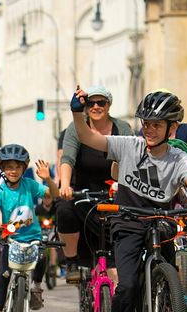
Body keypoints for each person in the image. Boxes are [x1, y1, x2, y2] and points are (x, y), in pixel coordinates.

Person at [69, 88, 187, 312]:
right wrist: (78, 112)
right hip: (128, 222)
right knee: (128, 284)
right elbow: (89, 137)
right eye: (146, 124)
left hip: (161, 222)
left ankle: (170, 306)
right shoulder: (129, 145)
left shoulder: (177, 157)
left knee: (172, 264)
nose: (149, 130)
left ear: (172, 128)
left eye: (156, 125)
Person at [56, 85, 134, 283]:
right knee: (64, 210)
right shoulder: (76, 128)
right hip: (83, 193)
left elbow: (132, 159)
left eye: (101, 102)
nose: (96, 106)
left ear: (109, 106)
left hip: (114, 193)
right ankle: (72, 261)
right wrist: (65, 185)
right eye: (91, 103)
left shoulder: (122, 128)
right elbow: (67, 159)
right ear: (85, 106)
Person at [0, 145, 56, 312]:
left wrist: (47, 178)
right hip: (11, 239)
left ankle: (37, 287)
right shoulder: (0, 190)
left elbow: (53, 194)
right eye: (8, 167)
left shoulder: (30, 185)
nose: (12, 171)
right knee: (4, 274)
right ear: (2, 168)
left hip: (32, 238)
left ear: (24, 168)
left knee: (42, 257)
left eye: (17, 167)